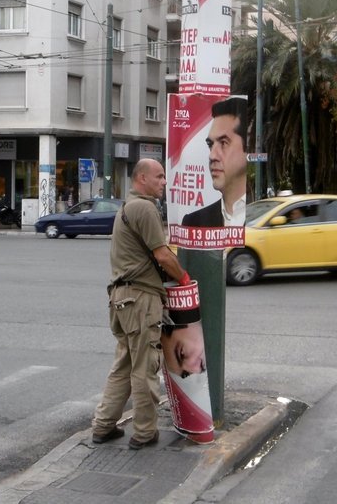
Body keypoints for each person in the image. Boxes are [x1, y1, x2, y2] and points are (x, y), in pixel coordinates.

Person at [93, 158, 191, 450]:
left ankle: (103, 425)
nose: (164, 182)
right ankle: (145, 432)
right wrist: (184, 278)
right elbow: (161, 255)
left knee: (124, 365)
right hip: (140, 300)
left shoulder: (126, 207)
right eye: (159, 177)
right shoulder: (144, 208)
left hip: (121, 299)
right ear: (142, 178)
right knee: (145, 367)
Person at [181, 96, 249, 228]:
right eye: (211, 145)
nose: (212, 155)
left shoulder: (265, 215)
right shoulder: (194, 222)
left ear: (248, 148)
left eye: (223, 143)